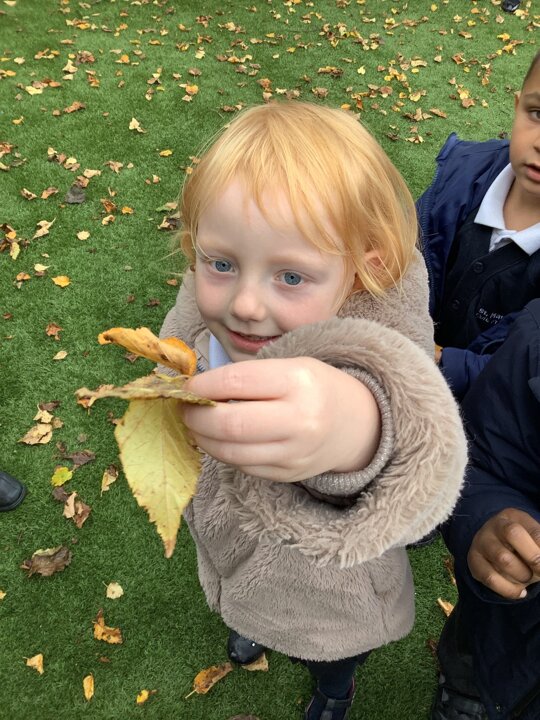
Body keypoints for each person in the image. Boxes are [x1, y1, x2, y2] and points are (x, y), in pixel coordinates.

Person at [158, 101, 467, 720]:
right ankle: (249, 618)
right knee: (247, 605)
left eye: (291, 277)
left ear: (360, 268)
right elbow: (176, 343)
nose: (245, 305)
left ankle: (334, 689)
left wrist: (356, 433)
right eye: (222, 263)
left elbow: (418, 441)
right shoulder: (201, 307)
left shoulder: (375, 343)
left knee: (329, 658)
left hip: (329, 606)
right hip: (228, 554)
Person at [431, 299, 540, 720]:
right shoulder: (534, 339)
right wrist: (488, 519)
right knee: (469, 653)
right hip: (503, 623)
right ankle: (461, 688)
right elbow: (478, 460)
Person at [417, 50, 540, 402]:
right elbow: (397, 252)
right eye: (538, 113)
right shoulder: (460, 175)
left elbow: (524, 369)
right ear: (517, 106)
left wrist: (437, 360)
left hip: (485, 416)